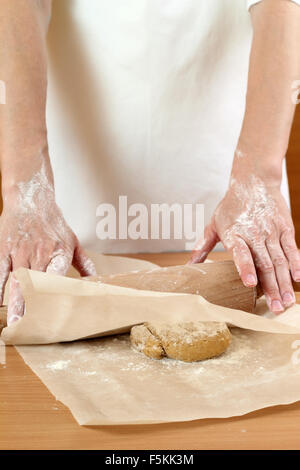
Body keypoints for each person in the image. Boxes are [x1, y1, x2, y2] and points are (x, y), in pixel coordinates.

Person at [1, 0, 300, 326]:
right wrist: (25, 188)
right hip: (70, 219)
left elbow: (280, 6)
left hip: (232, 219)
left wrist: (259, 176)